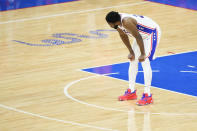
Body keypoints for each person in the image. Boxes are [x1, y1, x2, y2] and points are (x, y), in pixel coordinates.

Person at [105, 11, 161, 106]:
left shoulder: (126, 22)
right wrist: (131, 51)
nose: (108, 25)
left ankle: (148, 95)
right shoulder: (118, 24)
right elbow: (123, 35)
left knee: (145, 61)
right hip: (140, 36)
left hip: (151, 34)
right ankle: (131, 91)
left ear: (112, 22)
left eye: (109, 23)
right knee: (133, 60)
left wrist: (143, 53)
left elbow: (138, 37)